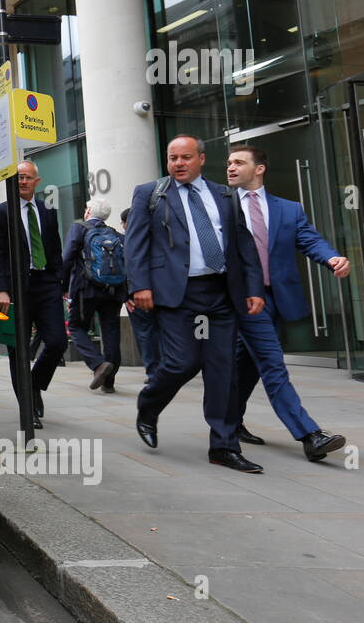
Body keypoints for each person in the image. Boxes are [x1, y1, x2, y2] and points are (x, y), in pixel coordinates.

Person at [125, 135, 267, 472]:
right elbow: (135, 245)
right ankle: (149, 404)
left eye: (185, 157)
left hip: (220, 293)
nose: (178, 163)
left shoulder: (224, 195)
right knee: (181, 363)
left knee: (223, 370)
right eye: (172, 157)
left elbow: (243, 246)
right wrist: (139, 286)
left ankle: (223, 446)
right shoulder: (151, 194)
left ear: (201, 158)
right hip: (177, 293)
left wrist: (253, 288)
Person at [226, 145, 350, 462]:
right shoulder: (220, 207)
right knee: (272, 364)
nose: (231, 167)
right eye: (229, 162)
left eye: (239, 162)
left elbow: (309, 239)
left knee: (247, 364)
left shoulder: (288, 209)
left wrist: (332, 258)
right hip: (242, 300)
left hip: (276, 298)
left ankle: (229, 421)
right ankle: (310, 435)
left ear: (260, 168)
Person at [0, 160, 66, 428]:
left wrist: (59, 283)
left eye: (28, 178)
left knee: (56, 342)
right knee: (17, 350)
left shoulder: (47, 211)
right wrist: (2, 290)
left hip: (45, 284)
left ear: (36, 182)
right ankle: (27, 410)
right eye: (19, 177)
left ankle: (34, 384)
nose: (23, 182)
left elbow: (55, 249)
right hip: (15, 290)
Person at [61, 197, 126, 393]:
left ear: (88, 212)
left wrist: (63, 287)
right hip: (113, 291)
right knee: (111, 333)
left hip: (86, 290)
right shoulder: (115, 234)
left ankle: (98, 365)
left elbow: (67, 258)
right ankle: (109, 382)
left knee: (76, 326)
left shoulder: (79, 229)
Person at [122, 207, 161, 377]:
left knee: (145, 333)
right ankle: (164, 368)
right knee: (162, 330)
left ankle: (153, 371)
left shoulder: (126, 241)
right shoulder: (157, 236)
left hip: (137, 295)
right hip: (162, 292)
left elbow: (122, 270)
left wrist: (126, 295)